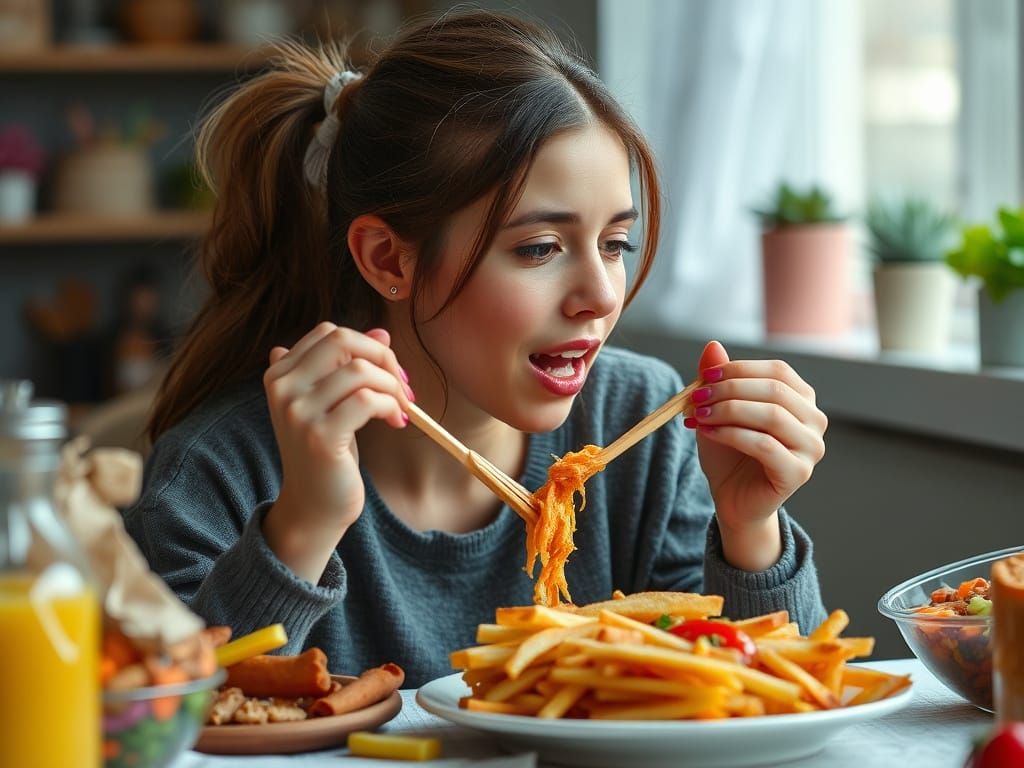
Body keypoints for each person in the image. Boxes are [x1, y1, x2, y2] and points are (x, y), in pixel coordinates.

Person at [125, 9, 829, 688]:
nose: (601, 295)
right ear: (388, 260)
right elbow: (175, 730)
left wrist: (750, 529)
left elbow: (775, 702)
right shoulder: (217, 472)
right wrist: (303, 525)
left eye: (615, 244)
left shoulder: (642, 424)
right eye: (539, 248)